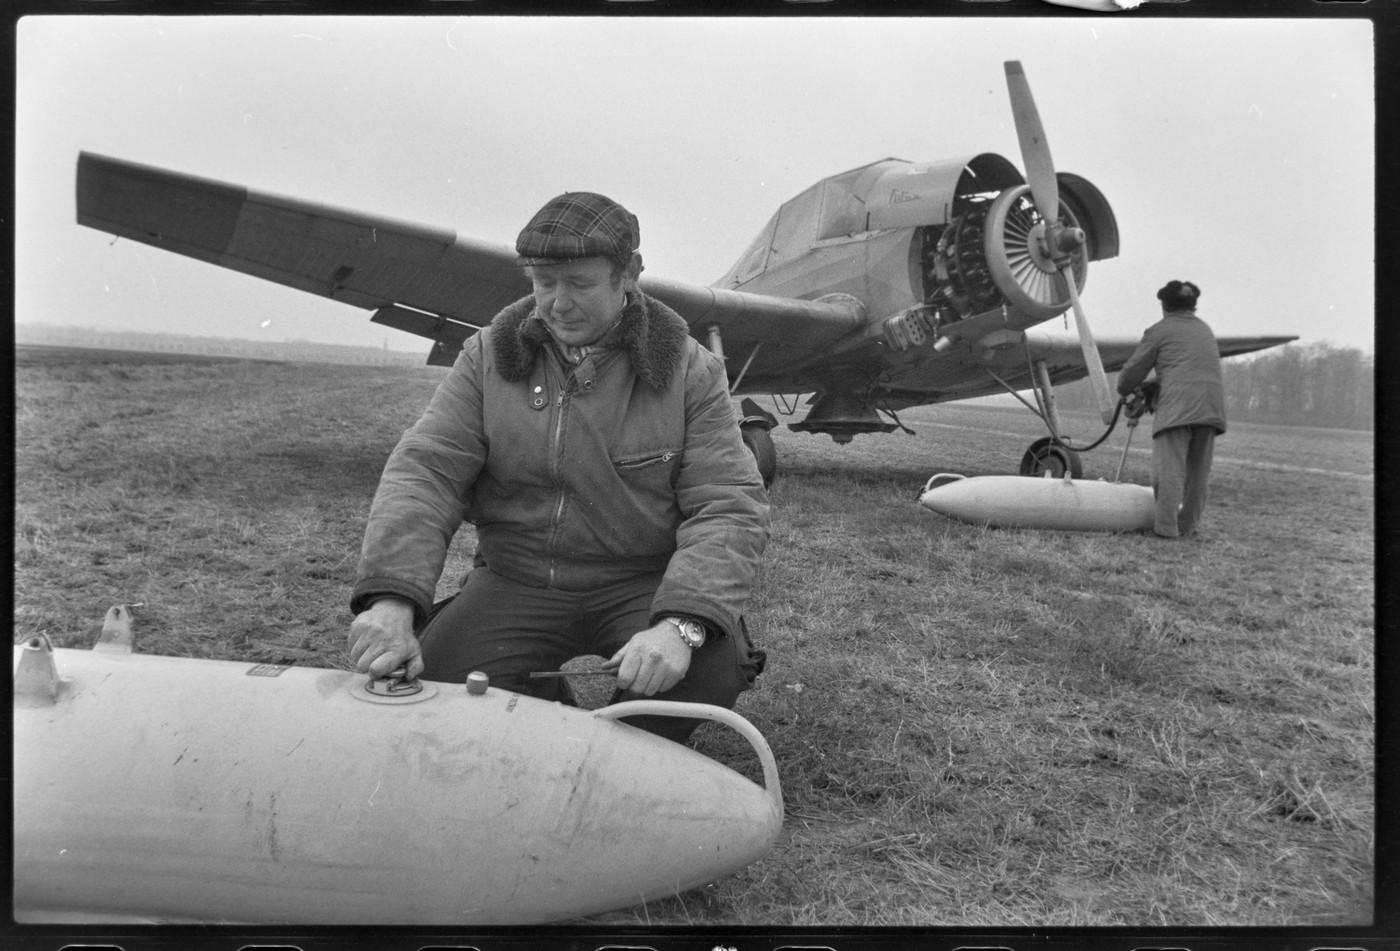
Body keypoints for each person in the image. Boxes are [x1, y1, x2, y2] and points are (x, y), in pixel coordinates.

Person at [345, 191, 770, 742]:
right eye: (544, 283)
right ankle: (544, 706)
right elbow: (426, 474)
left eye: (581, 284)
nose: (558, 303)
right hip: (517, 577)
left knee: (706, 668)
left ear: (629, 276)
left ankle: (627, 751)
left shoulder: (690, 370)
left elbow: (730, 505)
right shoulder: (486, 357)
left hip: (641, 583)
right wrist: (392, 599)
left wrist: (679, 627)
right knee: (446, 684)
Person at [1116, 279, 1226, 539]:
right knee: (1198, 473)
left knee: (1168, 472)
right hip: (1211, 408)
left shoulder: (1160, 330)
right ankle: (1187, 528)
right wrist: (1156, 383)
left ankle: (1165, 529)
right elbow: (1187, 368)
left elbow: (1129, 376)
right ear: (1193, 305)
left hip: (1177, 410)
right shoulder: (1205, 330)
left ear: (1164, 305)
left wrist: (1128, 390)